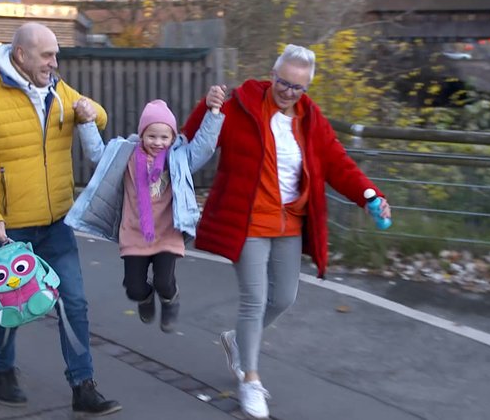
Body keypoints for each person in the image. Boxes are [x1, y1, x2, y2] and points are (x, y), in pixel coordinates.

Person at [182, 44, 391, 419]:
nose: (289, 92)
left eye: (298, 87)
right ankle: (250, 380)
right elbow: (193, 139)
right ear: (273, 75)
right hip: (249, 221)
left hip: (289, 223)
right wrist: (207, 105)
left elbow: (339, 164)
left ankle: (236, 341)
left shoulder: (310, 119)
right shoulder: (241, 105)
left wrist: (370, 195)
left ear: (306, 88)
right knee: (254, 300)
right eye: (283, 82)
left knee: (285, 298)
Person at [0, 22, 121, 416]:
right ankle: (0, 369)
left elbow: (100, 117)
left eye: (56, 54)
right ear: (20, 56)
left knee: (73, 303)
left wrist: (91, 110)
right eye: (47, 55)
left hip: (58, 223)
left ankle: (83, 386)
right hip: (9, 230)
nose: (54, 61)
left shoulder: (59, 92)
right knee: (13, 307)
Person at [69, 91, 226, 333]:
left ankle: (170, 299)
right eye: (152, 136)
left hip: (168, 232)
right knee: (134, 288)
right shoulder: (126, 155)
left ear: (173, 137)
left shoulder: (179, 157)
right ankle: (144, 298)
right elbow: (97, 154)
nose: (158, 142)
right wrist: (87, 122)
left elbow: (204, 146)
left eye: (165, 136)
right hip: (134, 232)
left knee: (164, 281)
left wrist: (213, 113)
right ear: (142, 135)